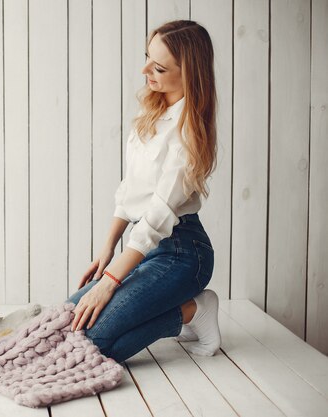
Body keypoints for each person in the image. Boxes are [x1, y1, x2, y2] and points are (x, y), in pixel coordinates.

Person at [69, 20, 221, 362]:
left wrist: (110, 281)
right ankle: (175, 308)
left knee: (93, 344)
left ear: (189, 74)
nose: (144, 70)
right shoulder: (152, 112)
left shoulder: (188, 134)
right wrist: (106, 252)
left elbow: (157, 215)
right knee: (69, 318)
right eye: (146, 57)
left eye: (159, 67)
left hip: (183, 253)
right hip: (145, 249)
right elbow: (130, 191)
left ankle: (194, 310)